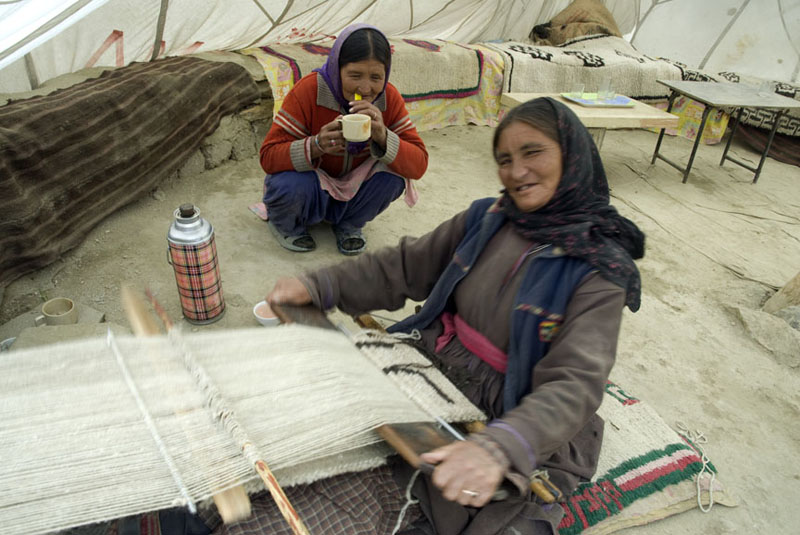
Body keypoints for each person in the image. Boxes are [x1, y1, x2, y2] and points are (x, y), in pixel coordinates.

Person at [218, 97, 644, 535]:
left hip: (510, 410)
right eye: (505, 159)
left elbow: (575, 383)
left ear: (571, 155)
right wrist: (321, 286)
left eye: (533, 152)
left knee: (402, 494)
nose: (516, 172)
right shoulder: (489, 218)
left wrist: (499, 448)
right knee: (294, 429)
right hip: (430, 368)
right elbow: (406, 266)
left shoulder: (598, 270)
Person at [259, 23, 428, 255]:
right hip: (313, 183)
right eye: (355, 75)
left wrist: (382, 135)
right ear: (337, 67)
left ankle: (348, 224)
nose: (366, 88)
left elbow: (418, 165)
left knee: (395, 178)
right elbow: (268, 157)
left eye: (376, 77)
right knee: (288, 184)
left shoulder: (389, 98)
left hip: (355, 186)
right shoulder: (309, 90)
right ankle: (287, 225)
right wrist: (316, 145)